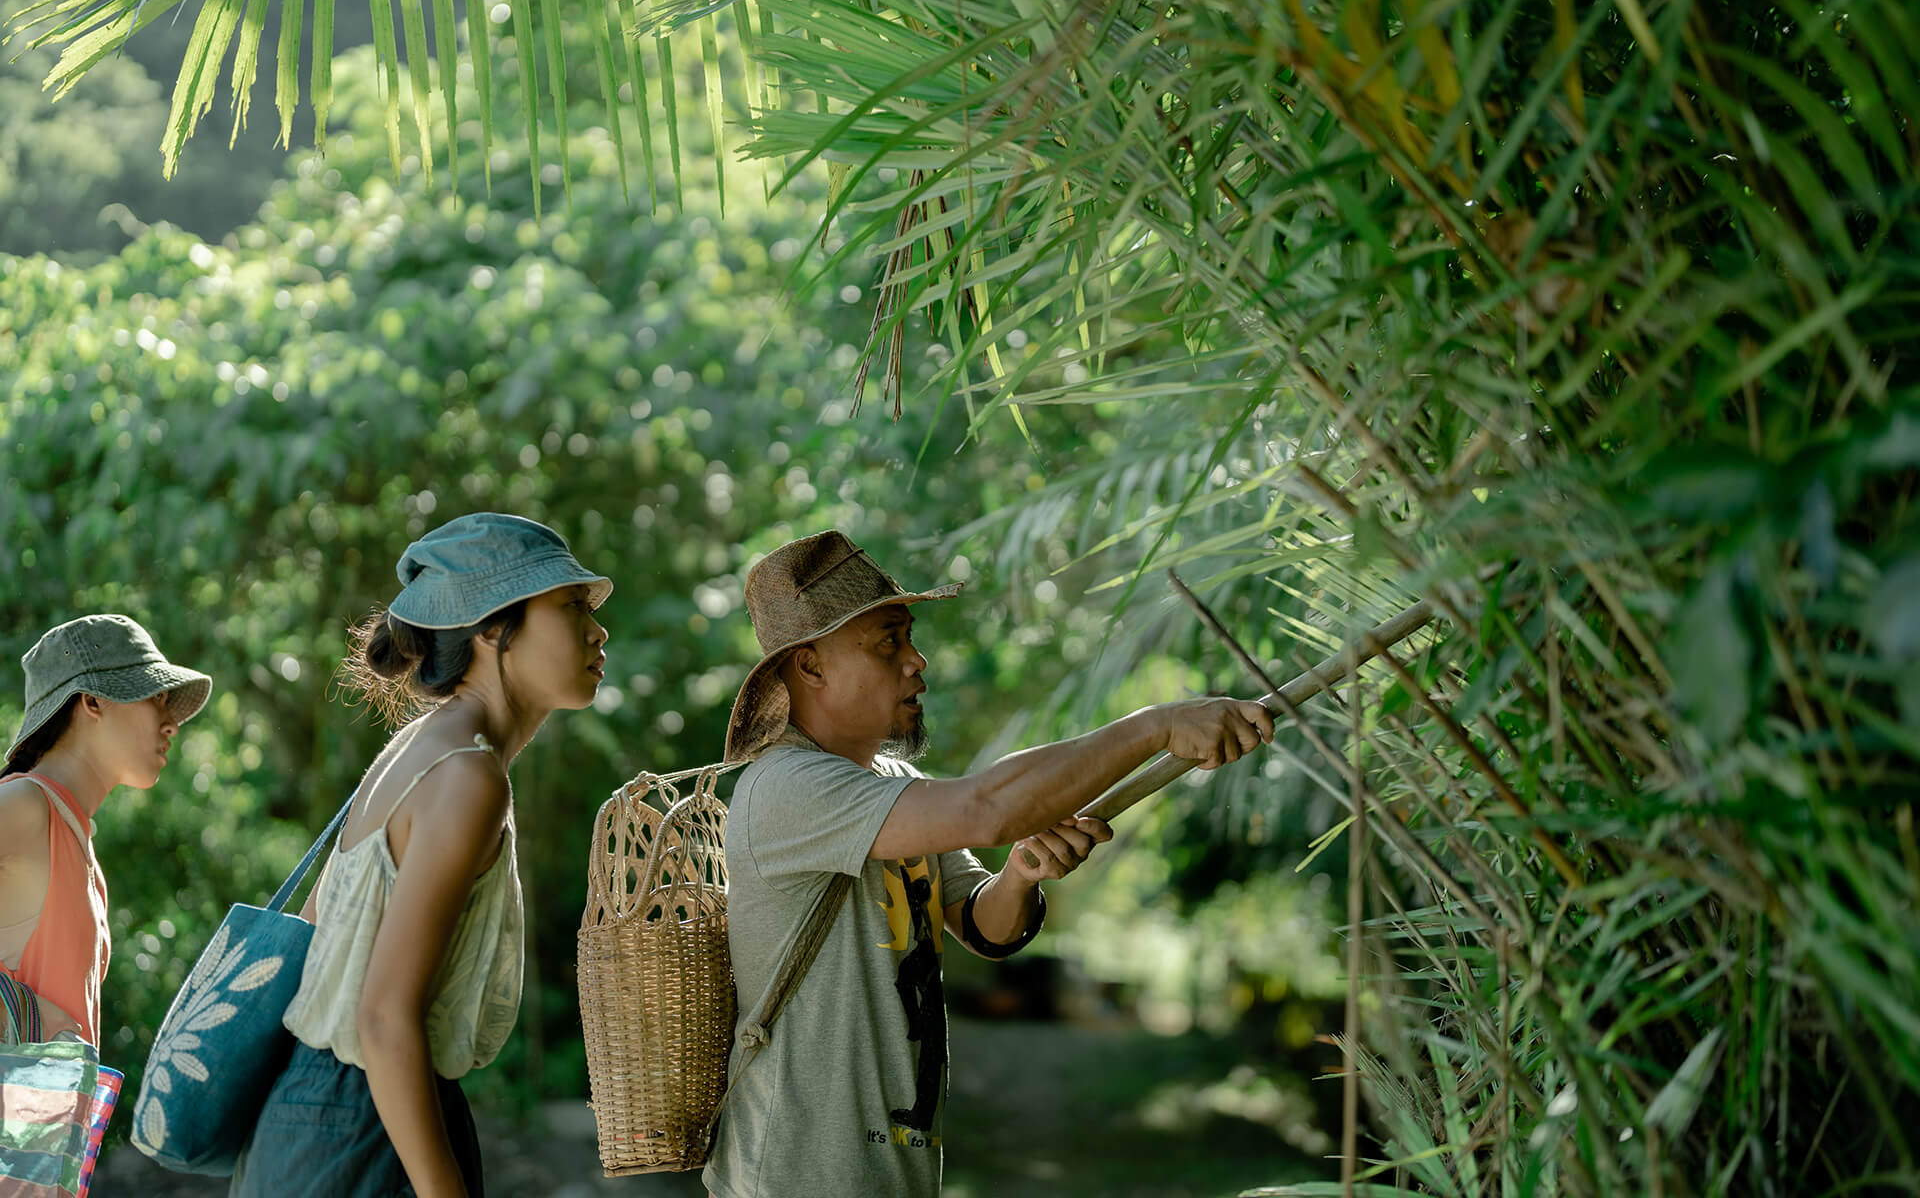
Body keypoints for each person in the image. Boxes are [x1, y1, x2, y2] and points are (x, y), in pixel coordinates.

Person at [702, 530, 1274, 1198]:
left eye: (910, 637)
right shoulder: (784, 789)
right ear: (811, 667)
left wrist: (1022, 875)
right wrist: (1158, 728)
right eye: (889, 641)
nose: (918, 662)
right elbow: (986, 808)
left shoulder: (888, 780)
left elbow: (982, 926)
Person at [230, 513, 611, 1198]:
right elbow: (381, 1017)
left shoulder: (421, 748)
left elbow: (318, 946)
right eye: (570, 606)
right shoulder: (467, 775)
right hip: (361, 1127)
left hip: (314, 1117)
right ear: (493, 628)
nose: (596, 629)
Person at [0, 615, 212, 1046]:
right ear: (93, 702)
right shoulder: (27, 806)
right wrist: (26, 1018)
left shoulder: (75, 841)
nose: (172, 724)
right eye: (157, 698)